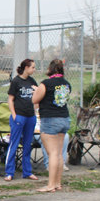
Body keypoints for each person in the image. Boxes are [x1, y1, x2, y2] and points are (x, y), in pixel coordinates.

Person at [32, 59, 71, 193]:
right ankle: (57, 183)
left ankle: (50, 185)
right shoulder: (66, 84)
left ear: (50, 69)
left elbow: (35, 100)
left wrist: (37, 90)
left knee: (52, 154)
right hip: (64, 118)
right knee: (59, 153)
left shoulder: (46, 84)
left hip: (50, 119)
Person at [4, 59, 38, 181]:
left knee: (27, 145)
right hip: (19, 116)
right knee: (14, 143)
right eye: (33, 67)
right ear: (26, 68)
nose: (34, 70)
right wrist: (14, 115)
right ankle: (9, 172)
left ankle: (27, 172)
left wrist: (35, 112)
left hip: (30, 117)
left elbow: (36, 97)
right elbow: (10, 99)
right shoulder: (16, 81)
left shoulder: (32, 81)